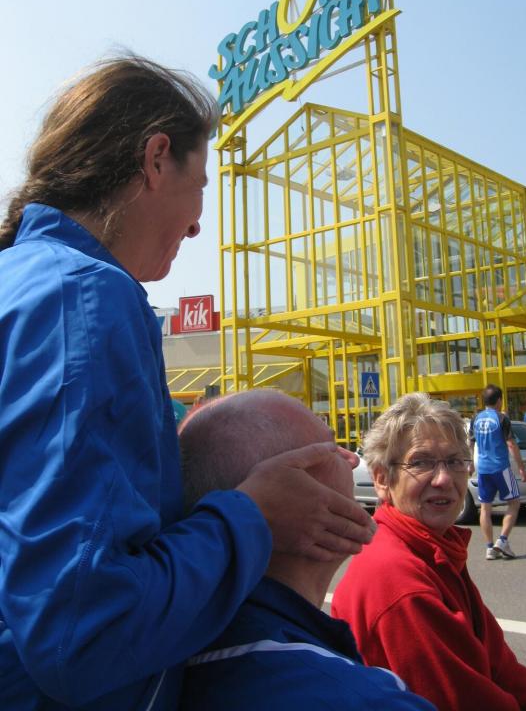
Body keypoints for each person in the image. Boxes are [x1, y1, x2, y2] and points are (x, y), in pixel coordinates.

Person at [0, 55, 374, 710]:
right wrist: (253, 515)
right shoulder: (85, 298)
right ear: (155, 159)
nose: (199, 223)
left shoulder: (21, 281)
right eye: (200, 184)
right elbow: (82, 632)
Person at [179, 390, 436, 711]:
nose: (353, 459)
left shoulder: (183, 650)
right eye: (330, 447)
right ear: (283, 488)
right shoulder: (364, 701)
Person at [332, 393, 526, 711]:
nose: (443, 479)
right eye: (421, 462)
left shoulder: (434, 549)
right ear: (382, 479)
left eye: (454, 462)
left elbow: (502, 665)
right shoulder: (399, 580)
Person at [469, 384, 526, 560]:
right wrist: (521, 467)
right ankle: (502, 541)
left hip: (483, 469)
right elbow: (511, 443)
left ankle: (489, 547)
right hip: (500, 467)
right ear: (499, 400)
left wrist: (470, 463)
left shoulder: (476, 418)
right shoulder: (502, 418)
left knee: (485, 507)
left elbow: (471, 442)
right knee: (514, 502)